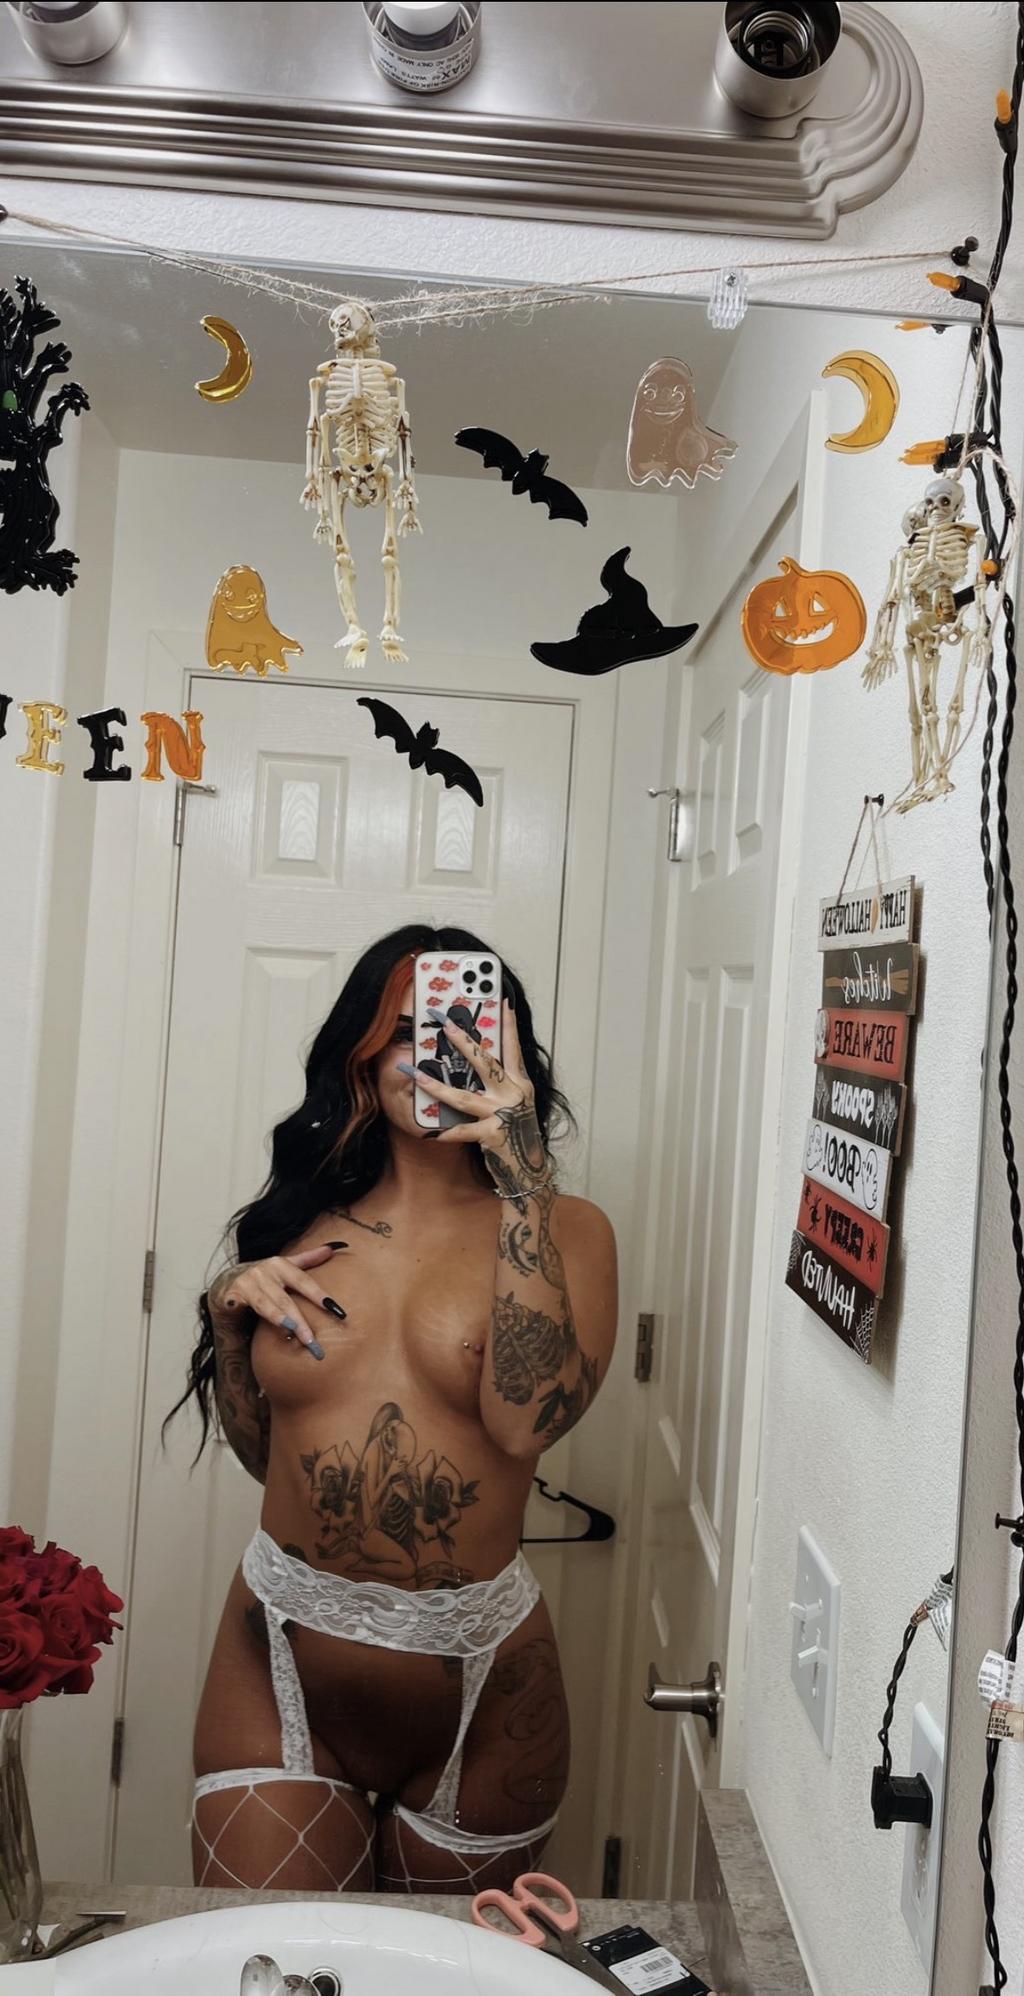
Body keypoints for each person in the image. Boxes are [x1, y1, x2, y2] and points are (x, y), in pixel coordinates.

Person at [170, 924, 618, 1895]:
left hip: (485, 1688)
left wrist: (524, 1175)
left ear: (506, 1053)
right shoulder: (297, 1224)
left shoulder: (568, 1230)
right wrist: (230, 1321)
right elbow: (270, 1457)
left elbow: (523, 1423)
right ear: (361, 1058)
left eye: (461, 1030)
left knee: (439, 1970)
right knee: (267, 1957)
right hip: (278, 1657)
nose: (433, 1055)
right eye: (405, 1031)